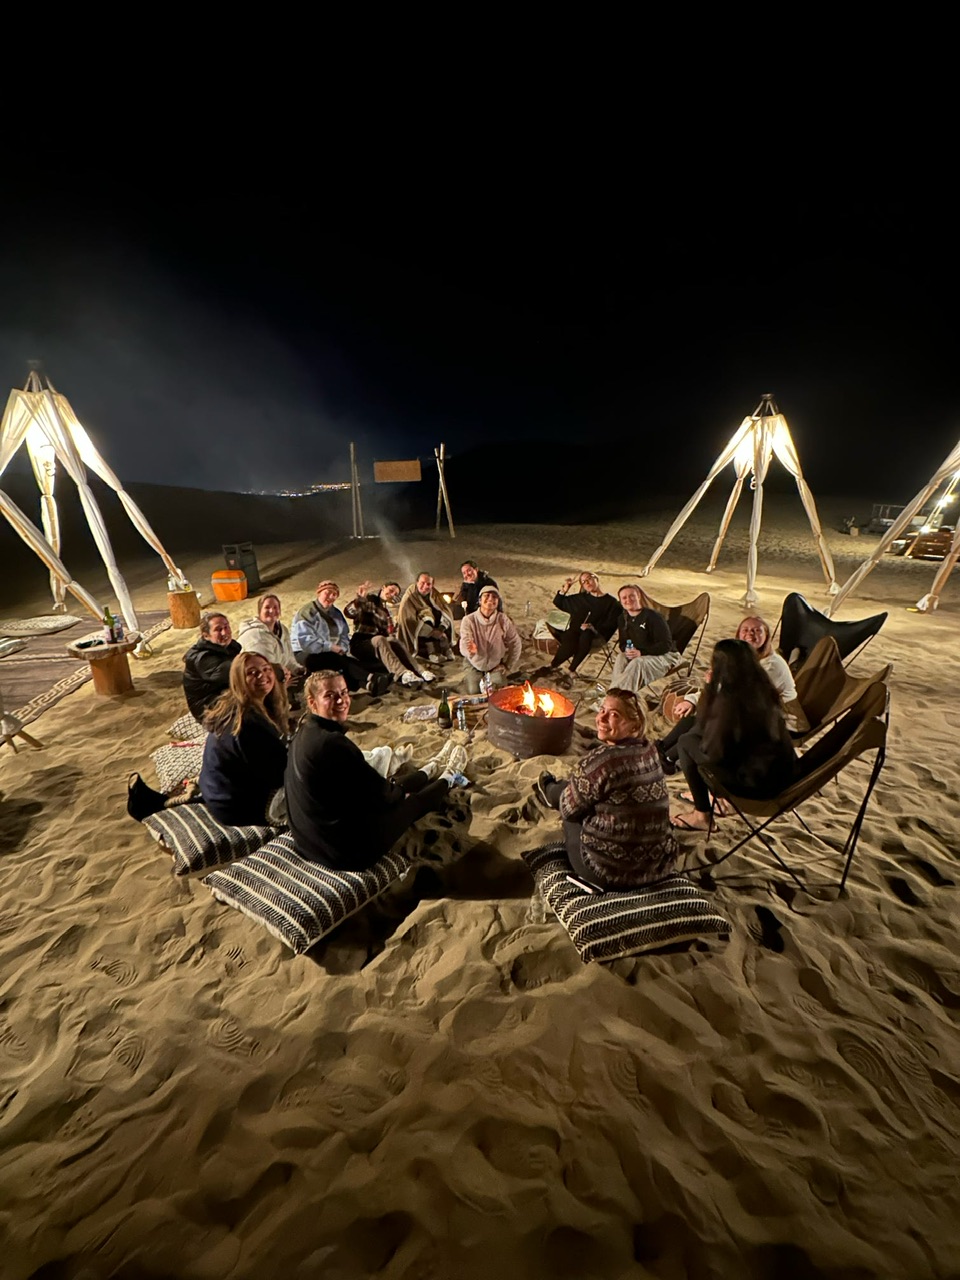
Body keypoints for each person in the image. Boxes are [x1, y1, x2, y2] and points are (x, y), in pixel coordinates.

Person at [284, 670, 469, 871]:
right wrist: (400, 797)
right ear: (312, 702)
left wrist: (393, 793)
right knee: (411, 803)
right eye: (330, 695)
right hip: (342, 852)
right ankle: (449, 775)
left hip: (309, 840)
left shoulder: (305, 731)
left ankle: (430, 768)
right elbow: (380, 793)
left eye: (344, 693)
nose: (341, 700)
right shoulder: (332, 743)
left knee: (391, 788)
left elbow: (368, 786)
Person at [535, 688, 679, 889]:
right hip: (657, 865)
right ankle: (555, 788)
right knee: (583, 791)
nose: (601, 718)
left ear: (634, 726)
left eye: (614, 715)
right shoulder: (651, 751)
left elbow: (569, 810)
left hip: (609, 872)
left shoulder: (602, 761)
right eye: (602, 710)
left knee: (570, 811)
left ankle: (549, 788)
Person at [671, 639, 799, 833]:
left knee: (686, 742)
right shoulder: (763, 689)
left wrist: (711, 688)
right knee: (693, 732)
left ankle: (702, 815)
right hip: (782, 777)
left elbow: (714, 751)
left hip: (757, 789)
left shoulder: (729, 700)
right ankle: (667, 755)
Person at [658, 613, 801, 774]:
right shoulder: (743, 659)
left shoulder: (771, 666)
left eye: (757, 631)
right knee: (697, 718)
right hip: (748, 713)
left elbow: (733, 696)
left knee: (708, 721)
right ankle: (662, 749)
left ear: (766, 635)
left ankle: (668, 758)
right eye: (745, 630)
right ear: (738, 634)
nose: (750, 634)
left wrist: (712, 686)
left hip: (774, 722)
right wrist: (692, 700)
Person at [198, 652, 289, 826]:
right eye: (252, 673)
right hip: (236, 807)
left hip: (218, 795)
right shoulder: (248, 724)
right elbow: (278, 776)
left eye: (266, 669)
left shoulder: (233, 706)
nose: (262, 675)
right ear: (239, 680)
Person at [291, 580, 389, 694]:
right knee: (336, 661)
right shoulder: (307, 612)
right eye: (327, 593)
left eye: (334, 594)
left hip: (328, 652)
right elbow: (306, 641)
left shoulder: (335, 613)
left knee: (343, 661)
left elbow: (344, 635)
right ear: (319, 593)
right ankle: (371, 678)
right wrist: (331, 647)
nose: (330, 597)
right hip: (304, 652)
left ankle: (368, 685)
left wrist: (342, 648)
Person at [345, 581, 436, 687]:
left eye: (395, 594)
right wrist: (360, 600)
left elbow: (387, 632)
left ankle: (420, 671)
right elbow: (349, 612)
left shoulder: (385, 611)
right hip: (361, 643)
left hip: (378, 643)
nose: (392, 595)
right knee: (380, 639)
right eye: (391, 590)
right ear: (383, 587)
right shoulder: (369, 599)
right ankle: (402, 673)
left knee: (393, 640)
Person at [608, 584, 680, 692]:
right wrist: (627, 650)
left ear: (639, 596)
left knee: (638, 662)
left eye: (632, 596)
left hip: (665, 656)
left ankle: (615, 696)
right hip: (640, 656)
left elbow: (666, 645)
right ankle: (616, 695)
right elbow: (623, 643)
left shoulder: (653, 617)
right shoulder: (622, 619)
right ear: (621, 601)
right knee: (621, 657)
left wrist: (641, 652)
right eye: (624, 597)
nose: (628, 599)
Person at [547, 571, 620, 677]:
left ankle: (571, 669)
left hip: (595, 635)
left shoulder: (611, 602)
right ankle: (553, 665)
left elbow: (611, 624)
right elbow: (559, 602)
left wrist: (593, 628)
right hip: (574, 633)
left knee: (586, 634)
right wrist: (565, 589)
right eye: (583, 582)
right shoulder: (581, 599)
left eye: (589, 579)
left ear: (596, 579)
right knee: (571, 638)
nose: (587, 583)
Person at [458, 586, 523, 693]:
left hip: (495, 665)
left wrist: (507, 665)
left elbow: (515, 643)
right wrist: (470, 649)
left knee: (496, 692)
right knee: (474, 691)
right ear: (479, 600)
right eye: (486, 595)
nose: (490, 599)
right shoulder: (469, 620)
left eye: (494, 597)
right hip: (474, 664)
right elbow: (464, 643)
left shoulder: (503, 620)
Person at [183, 612, 242, 720]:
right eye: (218, 629)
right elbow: (235, 672)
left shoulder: (231, 646)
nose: (225, 632)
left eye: (226, 627)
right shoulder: (202, 658)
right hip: (207, 707)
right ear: (206, 635)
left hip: (225, 694)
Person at [237, 594, 303, 681]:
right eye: (267, 607)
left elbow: (289, 658)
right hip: (260, 680)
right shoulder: (256, 635)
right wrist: (283, 682)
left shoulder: (282, 630)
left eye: (275, 607)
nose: (272, 611)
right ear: (259, 611)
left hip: (281, 675)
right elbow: (265, 668)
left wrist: (297, 669)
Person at [397, 573, 455, 661]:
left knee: (441, 616)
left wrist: (441, 628)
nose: (425, 586)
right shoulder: (409, 596)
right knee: (426, 620)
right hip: (420, 628)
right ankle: (431, 652)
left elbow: (445, 610)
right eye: (422, 583)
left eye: (428, 584)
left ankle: (445, 649)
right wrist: (431, 631)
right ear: (417, 582)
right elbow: (408, 619)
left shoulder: (434, 593)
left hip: (437, 627)